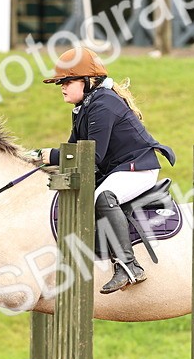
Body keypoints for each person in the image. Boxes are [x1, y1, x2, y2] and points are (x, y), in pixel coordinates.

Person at [35, 47, 176, 294]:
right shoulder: (85, 107)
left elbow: (92, 156)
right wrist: (37, 163)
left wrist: (51, 155)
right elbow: (73, 152)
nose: (62, 87)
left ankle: (129, 266)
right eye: (61, 83)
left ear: (88, 81)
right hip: (116, 169)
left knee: (104, 197)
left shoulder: (104, 104)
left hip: (137, 169)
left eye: (67, 81)